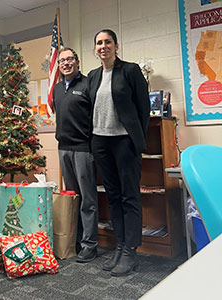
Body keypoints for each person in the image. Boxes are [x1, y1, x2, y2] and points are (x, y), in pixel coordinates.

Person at [87, 29, 150, 276]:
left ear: (116, 45)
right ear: (95, 48)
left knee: (129, 196)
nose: (103, 46)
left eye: (108, 42)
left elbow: (143, 108)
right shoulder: (93, 76)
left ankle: (130, 251)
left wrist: (137, 139)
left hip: (124, 142)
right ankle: (120, 246)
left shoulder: (130, 71)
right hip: (100, 142)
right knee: (112, 197)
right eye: (99, 43)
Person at [52, 47, 98, 263]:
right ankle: (75, 239)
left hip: (83, 149)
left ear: (77, 62)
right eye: (62, 60)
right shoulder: (57, 88)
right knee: (72, 198)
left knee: (87, 198)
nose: (65, 63)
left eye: (69, 59)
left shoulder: (88, 84)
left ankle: (90, 244)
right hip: (64, 149)